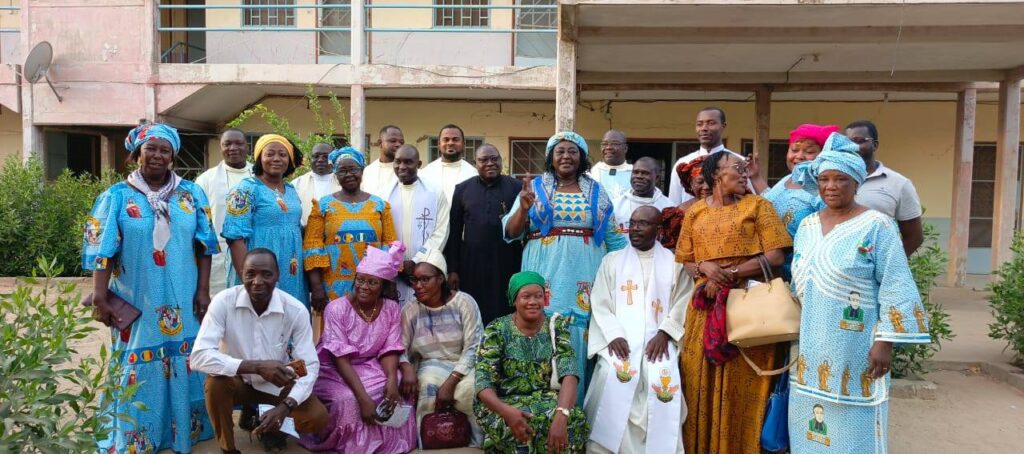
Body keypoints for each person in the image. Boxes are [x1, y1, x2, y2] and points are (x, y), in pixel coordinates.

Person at [788, 131, 930, 452]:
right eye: (824, 179)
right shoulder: (808, 226)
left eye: (840, 179)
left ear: (856, 182)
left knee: (854, 430)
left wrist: (885, 342)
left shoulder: (877, 226)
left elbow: (895, 284)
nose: (831, 186)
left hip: (857, 345)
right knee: (808, 428)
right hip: (809, 346)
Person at [83, 123, 218, 452]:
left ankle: (182, 431)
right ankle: (137, 435)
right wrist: (100, 296)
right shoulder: (115, 196)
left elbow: (205, 246)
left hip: (184, 294)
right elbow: (101, 250)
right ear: (136, 153)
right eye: (151, 149)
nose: (158, 155)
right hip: (137, 296)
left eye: (165, 150)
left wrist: (202, 292)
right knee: (137, 359)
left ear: (173, 155)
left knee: (186, 355)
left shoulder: (191, 194)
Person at [675, 151, 792, 453]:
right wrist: (704, 268)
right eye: (736, 169)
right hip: (705, 308)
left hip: (750, 307)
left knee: (744, 383)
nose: (744, 174)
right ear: (716, 175)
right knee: (697, 379)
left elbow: (776, 256)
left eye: (744, 170)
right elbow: (686, 260)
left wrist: (730, 272)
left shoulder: (759, 206)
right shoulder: (695, 212)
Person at [502, 131, 627, 404]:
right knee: (541, 326)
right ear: (551, 157)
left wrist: (624, 276)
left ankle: (573, 414)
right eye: (560, 151)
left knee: (577, 333)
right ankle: (537, 411)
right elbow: (510, 232)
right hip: (543, 269)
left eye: (572, 151)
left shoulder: (597, 191)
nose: (566, 156)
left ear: (581, 157)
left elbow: (615, 239)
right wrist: (523, 210)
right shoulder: (534, 188)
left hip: (585, 272)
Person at [191, 249, 329, 453]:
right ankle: (227, 448)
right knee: (215, 385)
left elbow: (309, 365)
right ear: (241, 274)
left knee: (317, 418)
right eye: (250, 274)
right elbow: (198, 357)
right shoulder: (223, 302)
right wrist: (256, 367)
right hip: (238, 381)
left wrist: (285, 408)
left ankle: (271, 426)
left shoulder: (295, 309)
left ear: (277, 275)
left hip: (276, 384)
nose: (257, 281)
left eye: (266, 274)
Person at [585, 206, 692, 454]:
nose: (634, 229)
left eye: (643, 224)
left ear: (659, 229)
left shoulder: (674, 264)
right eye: (632, 223)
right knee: (609, 373)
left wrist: (665, 333)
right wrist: (613, 335)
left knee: (662, 375)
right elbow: (599, 302)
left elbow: (683, 300)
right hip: (620, 341)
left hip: (660, 342)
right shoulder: (612, 261)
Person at [299, 242, 418, 453]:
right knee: (348, 400)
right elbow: (339, 358)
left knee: (397, 385)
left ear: (383, 286)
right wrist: (363, 399)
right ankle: (351, 446)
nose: (364, 286)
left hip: (374, 366)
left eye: (372, 282)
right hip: (336, 370)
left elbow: (390, 348)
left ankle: (386, 441)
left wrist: (391, 380)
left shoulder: (391, 308)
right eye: (360, 280)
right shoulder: (337, 309)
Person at [474, 271, 590, 453]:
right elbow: (483, 383)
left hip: (546, 398)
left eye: (538, 296)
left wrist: (562, 413)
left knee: (574, 419)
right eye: (525, 297)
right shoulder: (496, 329)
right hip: (503, 401)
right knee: (517, 428)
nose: (533, 302)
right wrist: (506, 411)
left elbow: (569, 372)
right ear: (514, 300)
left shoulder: (556, 326)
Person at [304, 146, 397, 342]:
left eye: (353, 169)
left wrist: (388, 284)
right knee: (336, 336)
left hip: (371, 284)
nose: (349, 174)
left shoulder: (380, 205)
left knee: (369, 333)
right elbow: (312, 245)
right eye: (342, 171)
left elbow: (390, 245)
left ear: (362, 170)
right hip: (333, 285)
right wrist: (316, 286)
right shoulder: (323, 205)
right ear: (335, 175)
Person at [399, 250, 484, 446]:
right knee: (428, 385)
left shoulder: (464, 303)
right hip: (430, 364)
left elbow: (474, 346)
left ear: (440, 279)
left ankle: (475, 445)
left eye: (425, 279)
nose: (417, 286)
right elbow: (399, 347)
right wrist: (407, 368)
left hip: (464, 364)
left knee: (469, 390)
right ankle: (428, 445)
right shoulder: (411, 310)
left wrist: (451, 382)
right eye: (414, 280)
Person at [223, 134, 309, 306]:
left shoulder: (291, 190)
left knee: (288, 316)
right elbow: (235, 238)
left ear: (290, 160)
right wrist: (249, 280)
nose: (276, 158)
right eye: (269, 154)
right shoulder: (246, 189)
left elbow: (294, 228)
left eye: (283, 155)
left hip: (291, 268)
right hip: (259, 269)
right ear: (259, 158)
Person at [443, 143, 523, 325]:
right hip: (472, 262)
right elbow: (454, 231)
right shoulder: (462, 189)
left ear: (501, 161)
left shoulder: (516, 187)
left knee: (506, 307)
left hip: (507, 260)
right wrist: (453, 268)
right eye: (484, 160)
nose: (490, 163)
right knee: (474, 308)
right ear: (474, 163)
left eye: (494, 159)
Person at [761, 124, 833, 279]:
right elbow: (769, 202)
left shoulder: (822, 190)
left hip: (804, 276)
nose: (799, 156)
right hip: (773, 275)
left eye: (809, 152)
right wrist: (754, 178)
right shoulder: (786, 180)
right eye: (794, 150)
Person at [845, 120, 924, 256]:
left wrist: (889, 265)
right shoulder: (832, 180)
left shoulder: (899, 183)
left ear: (874, 145)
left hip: (873, 272)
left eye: (859, 141)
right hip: (834, 269)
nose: (852, 147)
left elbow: (914, 237)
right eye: (848, 142)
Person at [385, 144, 450, 303]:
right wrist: (397, 265)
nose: (402, 167)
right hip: (393, 271)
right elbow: (380, 234)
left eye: (408, 162)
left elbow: (441, 232)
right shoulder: (383, 194)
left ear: (419, 164)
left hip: (425, 267)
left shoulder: (435, 192)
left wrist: (416, 262)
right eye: (398, 162)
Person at [195, 128, 253, 295]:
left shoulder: (259, 175)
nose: (233, 148)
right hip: (218, 253)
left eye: (238, 143)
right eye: (227, 144)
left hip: (254, 247)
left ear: (247, 146)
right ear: (220, 148)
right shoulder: (206, 179)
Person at [667, 107, 759, 205]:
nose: (704, 128)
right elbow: (674, 202)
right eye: (699, 124)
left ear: (723, 126)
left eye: (711, 123)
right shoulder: (683, 163)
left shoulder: (739, 162)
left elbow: (750, 198)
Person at [659, 155, 710, 250]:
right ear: (690, 184)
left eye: (711, 181)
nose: (706, 187)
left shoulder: (731, 207)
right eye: (700, 182)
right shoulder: (679, 214)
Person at [612, 157, 674, 232]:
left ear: (657, 178)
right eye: (635, 172)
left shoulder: (669, 207)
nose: (639, 176)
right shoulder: (615, 205)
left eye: (645, 173)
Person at [420, 124, 478, 202]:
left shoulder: (474, 174)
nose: (450, 143)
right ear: (439, 144)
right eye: (446, 139)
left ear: (463, 144)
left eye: (455, 139)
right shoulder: (426, 173)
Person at [292, 143, 342, 227]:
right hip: (305, 235)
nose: (320, 160)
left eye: (326, 157)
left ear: (334, 160)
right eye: (316, 156)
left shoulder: (343, 182)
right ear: (310, 159)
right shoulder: (297, 183)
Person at [362, 125, 405, 198]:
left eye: (401, 142)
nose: (398, 144)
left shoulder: (405, 170)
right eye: (393, 141)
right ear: (380, 143)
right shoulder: (369, 170)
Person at [590, 129, 633, 199]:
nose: (608, 147)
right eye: (604, 144)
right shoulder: (593, 172)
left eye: (615, 143)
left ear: (625, 148)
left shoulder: (634, 172)